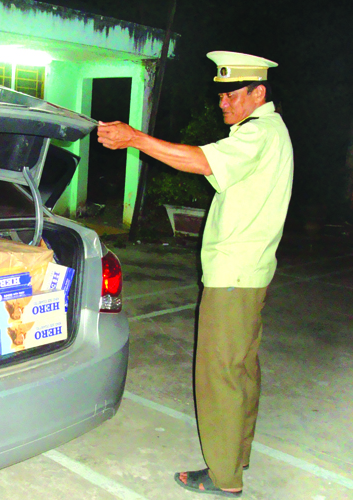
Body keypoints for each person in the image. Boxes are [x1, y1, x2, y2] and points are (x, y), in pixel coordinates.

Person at [98, 51, 293, 497]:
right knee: (241, 368)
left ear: (258, 93)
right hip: (251, 271)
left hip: (234, 275)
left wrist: (135, 139)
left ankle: (224, 478)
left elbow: (201, 161)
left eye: (232, 95)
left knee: (219, 374)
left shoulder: (258, 133)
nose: (223, 102)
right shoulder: (271, 131)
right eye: (221, 95)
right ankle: (237, 455)